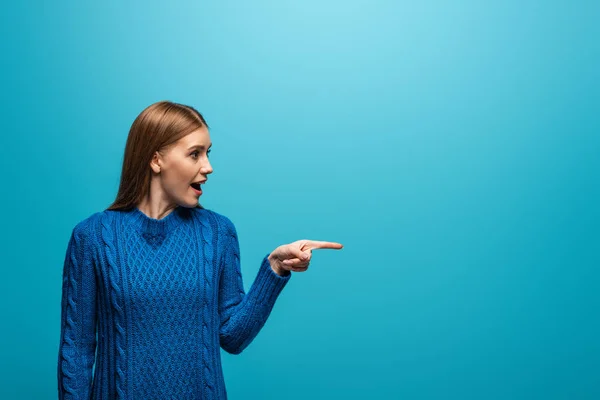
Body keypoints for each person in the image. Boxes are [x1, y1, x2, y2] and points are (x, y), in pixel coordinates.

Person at [56, 100, 343, 399]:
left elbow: (232, 336)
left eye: (207, 153)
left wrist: (275, 267)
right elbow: (76, 351)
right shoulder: (92, 237)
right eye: (195, 154)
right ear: (156, 160)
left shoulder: (218, 233)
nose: (208, 167)